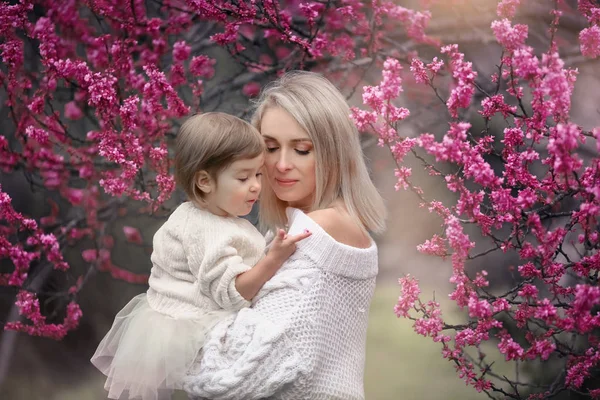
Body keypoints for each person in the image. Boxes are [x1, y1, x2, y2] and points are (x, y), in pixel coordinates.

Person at [181, 72, 387, 400]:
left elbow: (232, 380)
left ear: (333, 153)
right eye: (270, 148)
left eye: (302, 149)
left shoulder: (318, 230)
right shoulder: (323, 227)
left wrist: (181, 327)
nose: (281, 164)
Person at [90, 112, 311, 400]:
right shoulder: (207, 229)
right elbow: (232, 292)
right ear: (205, 182)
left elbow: (239, 260)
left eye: (258, 174)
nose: (256, 185)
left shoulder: (213, 216)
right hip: (192, 324)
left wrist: (267, 251)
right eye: (243, 177)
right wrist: (273, 260)